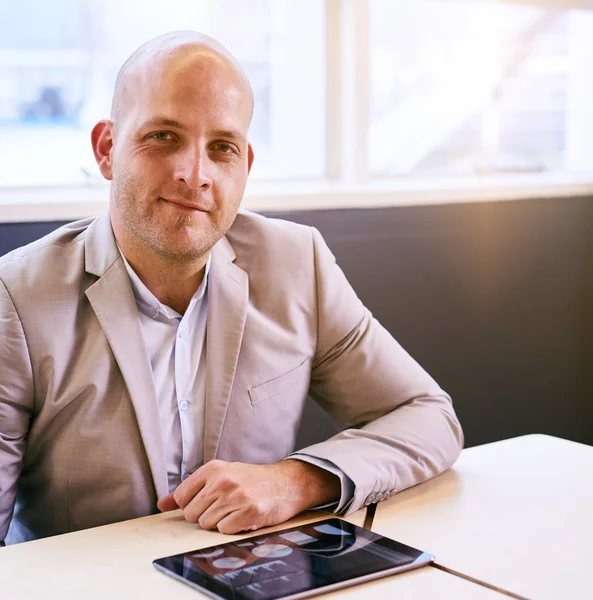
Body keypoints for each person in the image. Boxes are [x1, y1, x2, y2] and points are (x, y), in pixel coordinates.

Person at [0, 31, 463, 545]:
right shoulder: (15, 298)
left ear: (244, 167)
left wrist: (296, 480)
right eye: (163, 137)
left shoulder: (297, 264)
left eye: (222, 148)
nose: (194, 175)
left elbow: (428, 417)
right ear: (107, 149)